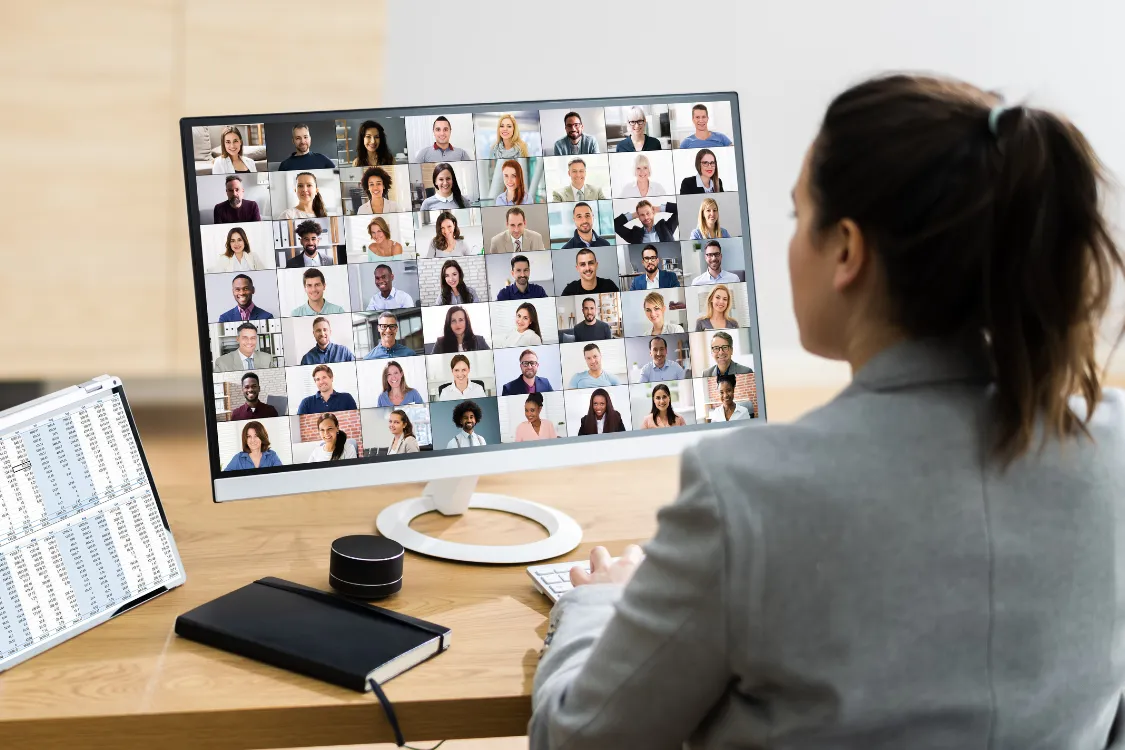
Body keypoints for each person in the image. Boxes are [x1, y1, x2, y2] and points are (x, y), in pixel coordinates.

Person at [531, 74, 1125, 749]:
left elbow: (577, 741)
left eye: (795, 215)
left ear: (846, 249)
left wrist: (596, 602)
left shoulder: (747, 491)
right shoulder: (1113, 453)